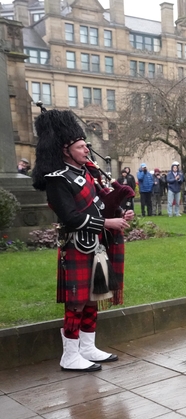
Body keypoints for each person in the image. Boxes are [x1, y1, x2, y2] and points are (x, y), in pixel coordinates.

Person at [30, 108, 134, 372]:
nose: (86, 149)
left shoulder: (88, 173)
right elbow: (71, 218)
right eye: (80, 146)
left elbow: (101, 204)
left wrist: (120, 213)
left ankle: (88, 348)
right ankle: (70, 354)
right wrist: (108, 223)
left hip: (96, 244)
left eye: (85, 145)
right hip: (76, 244)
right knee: (75, 301)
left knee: (92, 297)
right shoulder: (57, 180)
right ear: (65, 150)